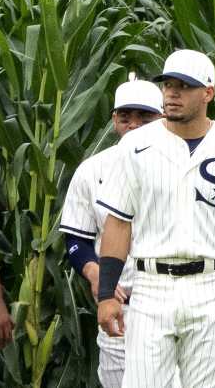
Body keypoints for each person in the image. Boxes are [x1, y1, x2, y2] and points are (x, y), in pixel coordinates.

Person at [93, 49, 215, 388]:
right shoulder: (135, 145)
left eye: (184, 86)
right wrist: (106, 293)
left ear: (208, 92)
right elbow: (118, 223)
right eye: (168, 85)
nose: (172, 94)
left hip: (212, 285)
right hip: (150, 286)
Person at [58, 73, 172, 388]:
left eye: (144, 116)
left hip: (171, 304)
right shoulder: (92, 170)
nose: (133, 124)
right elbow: (75, 239)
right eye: (125, 117)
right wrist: (95, 273)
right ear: (113, 120)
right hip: (121, 306)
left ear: (163, 117)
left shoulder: (182, 166)